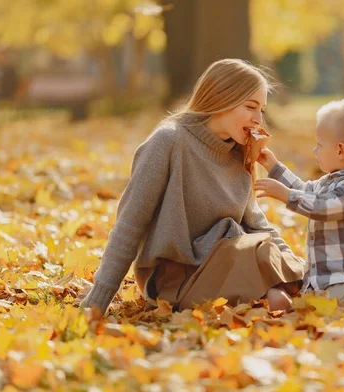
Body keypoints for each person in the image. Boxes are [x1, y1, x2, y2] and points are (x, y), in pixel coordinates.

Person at [79, 59, 304, 315]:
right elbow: (130, 223)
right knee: (256, 254)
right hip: (177, 278)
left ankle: (289, 289)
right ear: (222, 99)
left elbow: (257, 223)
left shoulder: (239, 154)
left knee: (266, 257)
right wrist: (97, 301)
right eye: (251, 107)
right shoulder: (169, 142)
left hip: (233, 263)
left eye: (262, 109)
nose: (258, 119)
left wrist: (296, 266)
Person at [255, 99, 344, 319]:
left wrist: (285, 195)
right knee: (293, 305)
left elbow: (323, 207)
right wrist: (274, 168)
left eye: (319, 144)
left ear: (340, 150)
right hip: (323, 280)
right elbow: (304, 191)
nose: (315, 150)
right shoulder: (329, 182)